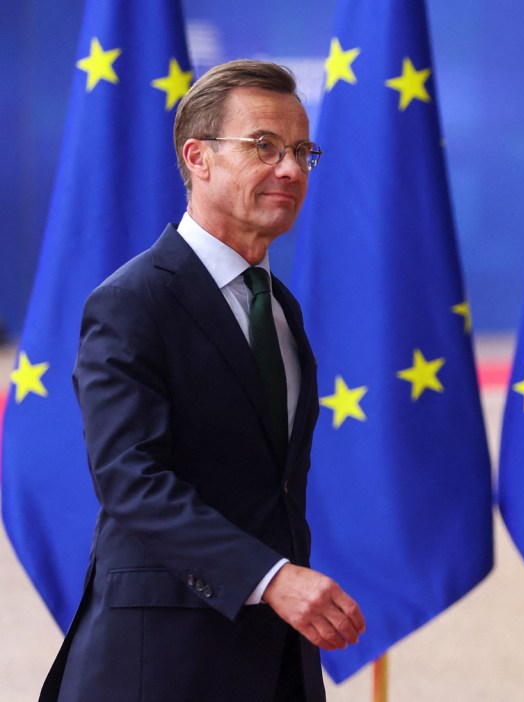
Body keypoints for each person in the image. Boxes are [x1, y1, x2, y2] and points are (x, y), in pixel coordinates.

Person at [40, 60, 364, 702]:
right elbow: (132, 480)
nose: (291, 170)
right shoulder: (132, 302)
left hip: (275, 662)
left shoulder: (279, 307)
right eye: (264, 146)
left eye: (302, 150)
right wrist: (272, 578)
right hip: (161, 662)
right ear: (199, 157)